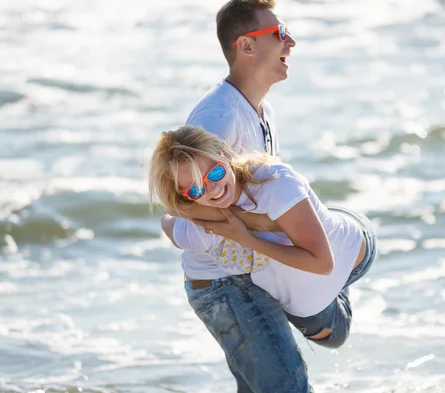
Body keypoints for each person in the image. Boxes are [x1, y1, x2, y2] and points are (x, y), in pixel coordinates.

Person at [164, 0, 316, 393]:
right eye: (279, 34)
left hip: (244, 273)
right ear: (245, 47)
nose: (291, 42)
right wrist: (268, 226)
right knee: (289, 391)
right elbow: (182, 199)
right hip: (224, 282)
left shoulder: (260, 111)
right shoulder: (218, 117)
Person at [148, 124, 378, 355]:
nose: (213, 189)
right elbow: (169, 219)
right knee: (331, 339)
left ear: (226, 155)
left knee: (334, 332)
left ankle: (316, 230)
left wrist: (247, 238)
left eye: (215, 173)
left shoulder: (275, 183)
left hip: (349, 255)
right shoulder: (200, 216)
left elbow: (323, 264)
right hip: (302, 293)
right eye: (196, 189)